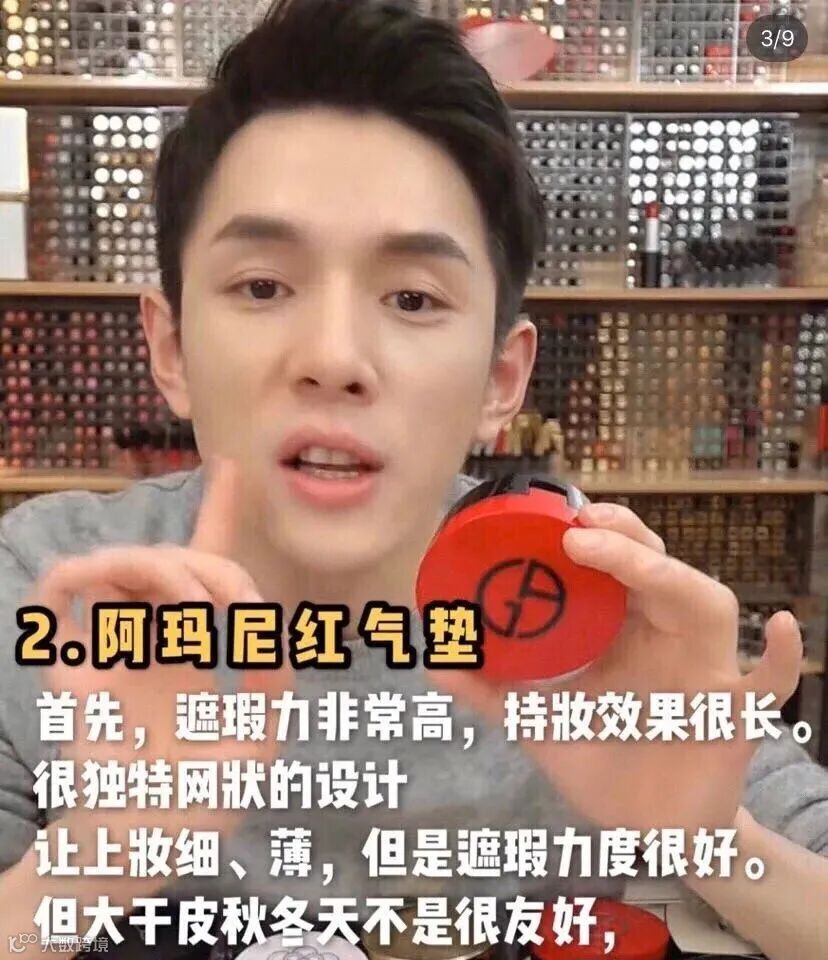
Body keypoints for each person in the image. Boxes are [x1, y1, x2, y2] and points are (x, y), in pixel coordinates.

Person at [0, 0, 826, 957]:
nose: (334, 357)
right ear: (172, 347)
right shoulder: (53, 588)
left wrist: (712, 841)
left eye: (412, 297)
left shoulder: (588, 603)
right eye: (263, 286)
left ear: (501, 380)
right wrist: (98, 856)